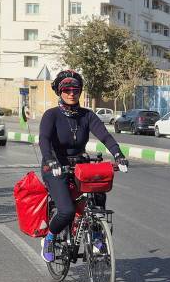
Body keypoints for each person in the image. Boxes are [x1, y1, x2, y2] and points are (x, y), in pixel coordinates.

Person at [37, 70, 127, 262]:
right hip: (55, 166)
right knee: (66, 211)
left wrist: (118, 154)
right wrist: (50, 160)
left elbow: (105, 136)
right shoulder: (51, 115)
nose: (72, 93)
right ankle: (50, 238)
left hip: (80, 165)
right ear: (59, 92)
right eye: (67, 90)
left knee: (98, 197)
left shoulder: (87, 115)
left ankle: (96, 236)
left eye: (75, 90)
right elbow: (44, 139)